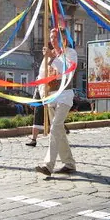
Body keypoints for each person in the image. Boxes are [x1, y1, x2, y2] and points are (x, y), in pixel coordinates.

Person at [35, 28, 78, 176]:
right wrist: (43, 96)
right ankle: (69, 163)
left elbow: (66, 70)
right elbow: (41, 77)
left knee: (55, 127)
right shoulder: (47, 56)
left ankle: (48, 165)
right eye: (51, 37)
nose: (53, 40)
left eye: (56, 37)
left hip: (65, 95)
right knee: (59, 131)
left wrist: (52, 58)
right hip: (51, 97)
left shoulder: (71, 53)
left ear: (64, 39)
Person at [26, 43, 54, 147]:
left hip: (49, 90)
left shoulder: (53, 60)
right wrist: (34, 98)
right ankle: (33, 139)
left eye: (45, 49)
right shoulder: (43, 61)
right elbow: (39, 79)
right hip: (40, 89)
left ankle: (57, 137)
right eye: (43, 49)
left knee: (51, 115)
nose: (43, 51)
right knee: (37, 114)